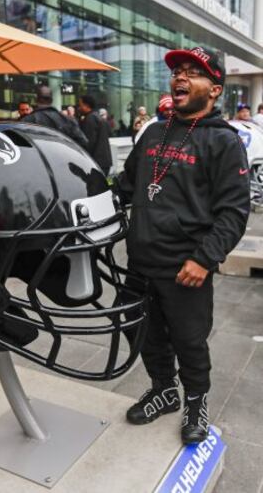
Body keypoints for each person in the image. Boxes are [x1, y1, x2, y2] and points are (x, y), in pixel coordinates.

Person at [119, 46, 250, 445]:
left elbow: (234, 211)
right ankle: (164, 390)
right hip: (140, 262)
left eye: (193, 72)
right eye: (178, 71)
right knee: (143, 333)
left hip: (185, 268)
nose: (180, 77)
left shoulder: (224, 141)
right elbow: (124, 187)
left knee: (189, 340)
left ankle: (195, 400)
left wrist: (204, 259)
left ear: (214, 89)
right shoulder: (153, 133)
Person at [22, 86, 88, 150]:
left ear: (36, 99)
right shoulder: (68, 120)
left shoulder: (27, 121)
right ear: (51, 100)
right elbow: (83, 142)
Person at [78, 95, 113, 176]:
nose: (79, 108)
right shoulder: (98, 117)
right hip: (104, 161)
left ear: (86, 105)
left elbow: (89, 142)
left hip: (96, 162)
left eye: (80, 105)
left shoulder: (90, 119)